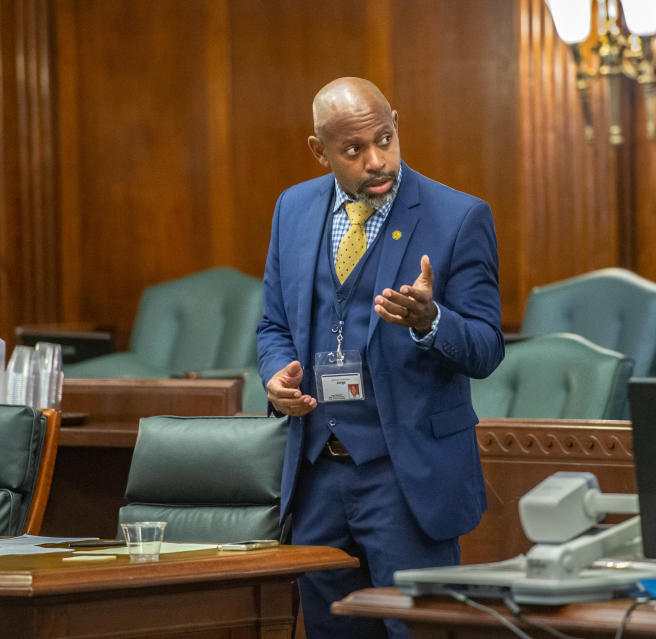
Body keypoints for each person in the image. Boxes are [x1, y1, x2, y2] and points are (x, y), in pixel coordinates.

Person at [256, 77, 504, 639]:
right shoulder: (293, 209)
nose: (377, 160)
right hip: (317, 473)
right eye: (354, 150)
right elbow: (273, 324)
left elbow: (488, 348)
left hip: (407, 476)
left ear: (395, 121)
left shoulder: (459, 216)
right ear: (319, 151)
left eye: (385, 138)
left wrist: (431, 321)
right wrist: (275, 376)